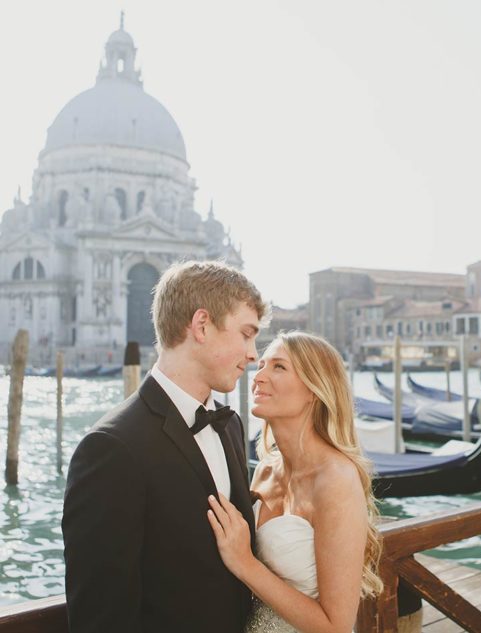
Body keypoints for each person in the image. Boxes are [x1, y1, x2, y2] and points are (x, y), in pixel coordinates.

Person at [62, 260, 267, 633]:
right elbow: (101, 618)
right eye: (246, 333)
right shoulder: (110, 449)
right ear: (202, 325)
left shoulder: (231, 426)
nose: (254, 353)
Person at [207, 331, 383, 633]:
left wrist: (244, 563)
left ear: (314, 389)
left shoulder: (336, 480)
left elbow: (336, 626)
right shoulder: (265, 468)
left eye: (278, 367)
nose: (258, 376)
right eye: (261, 365)